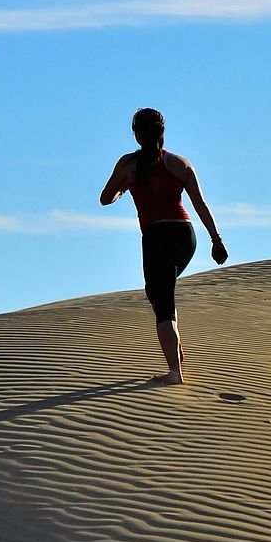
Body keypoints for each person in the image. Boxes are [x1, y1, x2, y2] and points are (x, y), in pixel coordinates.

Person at [99, 108, 228, 385]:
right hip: (185, 235)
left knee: (162, 302)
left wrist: (126, 187)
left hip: (156, 236)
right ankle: (177, 357)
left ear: (136, 134)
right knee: (161, 292)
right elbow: (200, 205)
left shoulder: (128, 165)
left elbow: (105, 198)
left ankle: (174, 372)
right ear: (162, 133)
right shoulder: (180, 164)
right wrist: (216, 240)